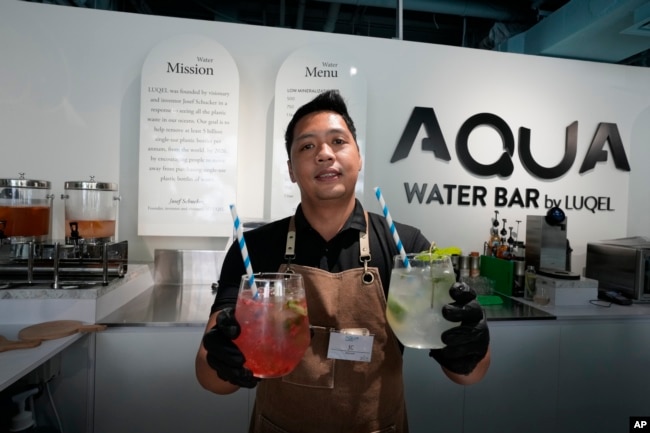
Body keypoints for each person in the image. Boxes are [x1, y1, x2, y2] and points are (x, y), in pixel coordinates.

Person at [195, 90, 490, 432]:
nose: (324, 154)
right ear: (291, 170)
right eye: (307, 146)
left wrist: (471, 345)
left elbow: (468, 375)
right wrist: (221, 359)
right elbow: (211, 379)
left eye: (338, 141)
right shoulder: (255, 248)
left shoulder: (406, 249)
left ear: (359, 157)